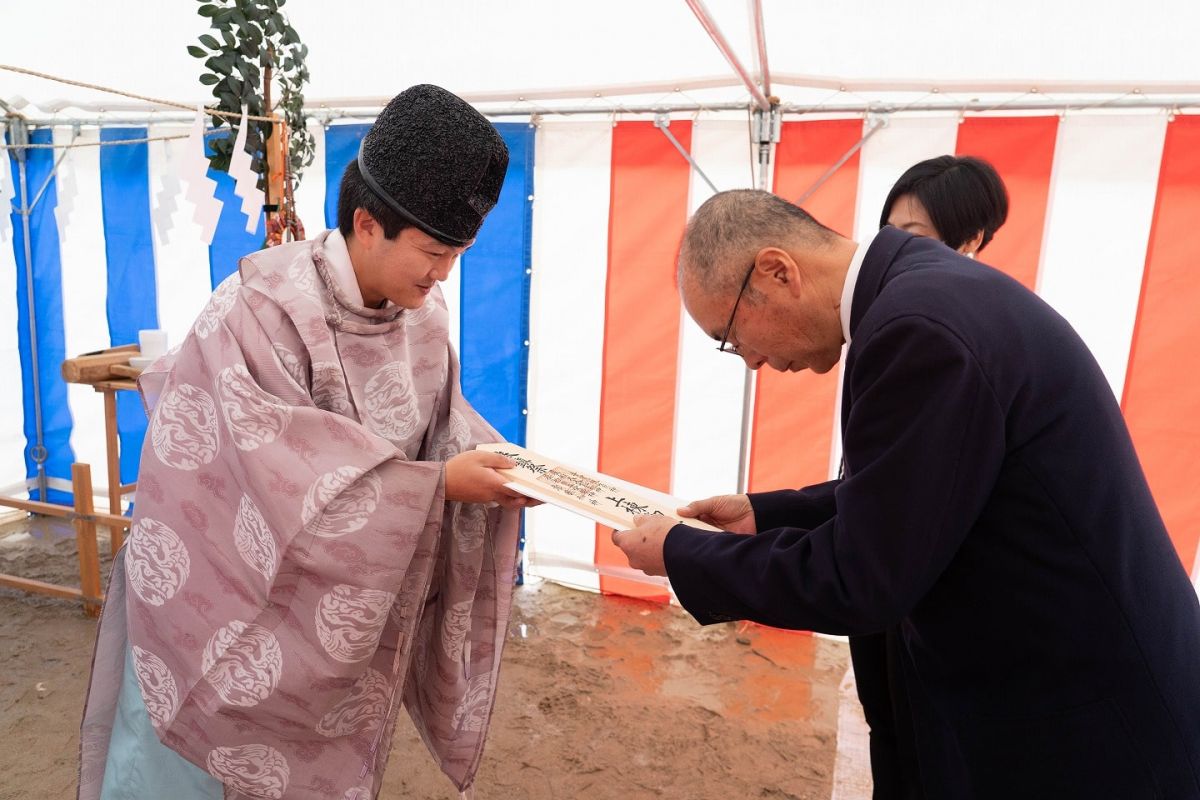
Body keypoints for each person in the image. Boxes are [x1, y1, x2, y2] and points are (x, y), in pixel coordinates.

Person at [613, 189, 1200, 798]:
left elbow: (862, 578)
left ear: (776, 270)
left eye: (731, 336)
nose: (752, 362)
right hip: (1065, 686)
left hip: (1085, 720)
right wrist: (765, 515)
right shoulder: (918, 296)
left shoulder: (916, 329)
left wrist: (682, 553)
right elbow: (916, 492)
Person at [79, 84, 533, 800]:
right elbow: (277, 475)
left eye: (458, 253)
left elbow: (441, 426)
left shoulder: (425, 315)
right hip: (213, 602)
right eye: (435, 251)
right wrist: (439, 488)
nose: (444, 273)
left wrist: (506, 465)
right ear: (366, 222)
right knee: (183, 775)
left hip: (331, 629)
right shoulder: (260, 312)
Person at [854, 154, 1011, 800]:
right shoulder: (895, 314)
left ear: (971, 241)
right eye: (889, 231)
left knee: (934, 761)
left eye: (912, 236)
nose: (893, 249)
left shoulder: (962, 334)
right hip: (889, 605)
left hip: (941, 615)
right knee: (889, 738)